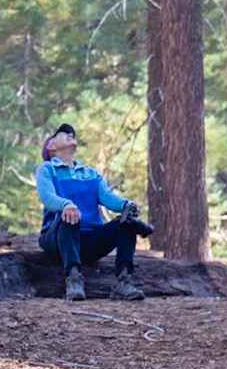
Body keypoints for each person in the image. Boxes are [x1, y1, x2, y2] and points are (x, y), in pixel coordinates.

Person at [35, 123, 152, 301]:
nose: (69, 134)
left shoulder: (91, 173)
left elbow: (107, 197)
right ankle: (73, 278)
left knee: (126, 224)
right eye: (62, 133)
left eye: (71, 133)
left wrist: (126, 205)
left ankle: (123, 281)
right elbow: (46, 196)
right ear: (50, 146)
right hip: (58, 238)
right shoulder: (47, 168)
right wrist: (66, 204)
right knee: (70, 216)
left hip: (91, 240)